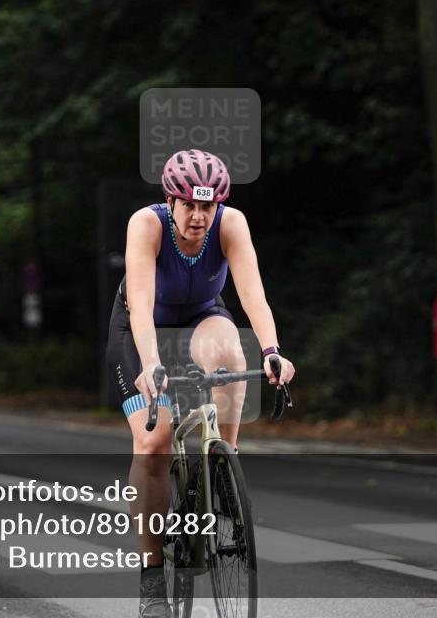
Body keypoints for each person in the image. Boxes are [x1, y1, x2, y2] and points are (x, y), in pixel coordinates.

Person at [104, 148, 295, 618]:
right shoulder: (145, 225)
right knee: (155, 443)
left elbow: (253, 295)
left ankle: (222, 463)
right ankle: (152, 578)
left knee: (233, 352)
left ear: (218, 205)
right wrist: (151, 364)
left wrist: (272, 351)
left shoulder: (232, 225)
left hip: (202, 317)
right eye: (188, 205)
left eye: (206, 206)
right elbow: (142, 307)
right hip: (140, 328)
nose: (197, 216)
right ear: (170, 202)